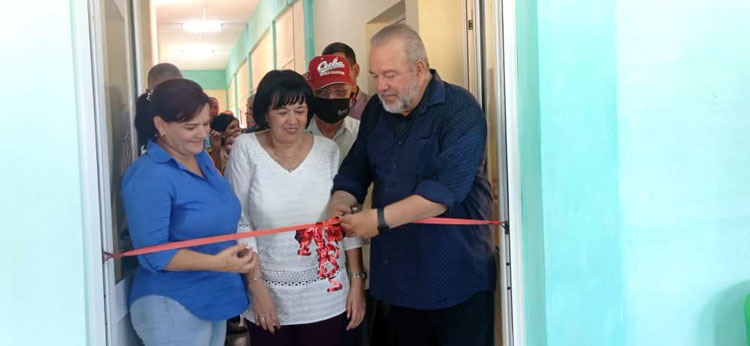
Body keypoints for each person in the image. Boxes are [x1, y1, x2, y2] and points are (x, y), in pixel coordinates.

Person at [328, 24, 496, 346]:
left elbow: (445, 191)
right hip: (396, 283)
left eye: (390, 75)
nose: (380, 86)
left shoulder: (460, 110)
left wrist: (376, 220)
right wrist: (341, 198)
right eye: (375, 76)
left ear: (419, 69)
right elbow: (357, 167)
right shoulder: (377, 111)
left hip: (456, 282)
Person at [224, 70, 366, 346]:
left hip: (328, 292)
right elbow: (239, 220)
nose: (293, 121)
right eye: (282, 112)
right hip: (269, 293)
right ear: (265, 114)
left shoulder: (328, 151)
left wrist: (357, 281)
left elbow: (345, 219)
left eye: (300, 111)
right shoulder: (246, 149)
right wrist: (256, 285)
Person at [123, 78, 257, 346]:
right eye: (190, 127)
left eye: (206, 124)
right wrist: (217, 262)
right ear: (161, 125)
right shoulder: (149, 175)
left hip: (214, 295)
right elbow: (152, 252)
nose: (202, 134)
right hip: (173, 302)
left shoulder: (201, 160)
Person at [305, 54, 360, 164]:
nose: (331, 97)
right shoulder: (297, 132)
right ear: (311, 95)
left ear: (352, 93)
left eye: (339, 91)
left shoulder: (361, 132)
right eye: (323, 92)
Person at [321, 42, 370, 120]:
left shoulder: (374, 107)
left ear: (356, 70)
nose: (335, 77)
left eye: (341, 70)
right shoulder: (319, 105)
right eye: (329, 71)